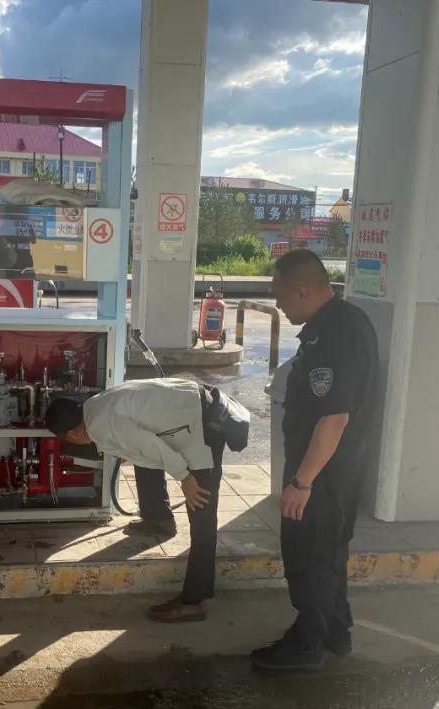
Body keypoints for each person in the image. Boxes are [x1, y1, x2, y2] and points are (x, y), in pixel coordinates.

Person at [251, 249, 379, 673]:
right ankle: (336, 631)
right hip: (338, 469)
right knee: (330, 554)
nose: (278, 305)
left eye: (281, 295)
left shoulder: (333, 335)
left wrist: (302, 482)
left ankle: (306, 646)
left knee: (309, 556)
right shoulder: (346, 320)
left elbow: (334, 417)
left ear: (303, 290)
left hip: (322, 474)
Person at [44, 379, 249, 623]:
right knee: (145, 464)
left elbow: (152, 446)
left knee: (201, 514)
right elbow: (142, 449)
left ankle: (193, 602)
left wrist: (185, 477)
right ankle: (159, 519)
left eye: (67, 440)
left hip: (202, 426)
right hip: (192, 407)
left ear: (73, 433)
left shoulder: (102, 426)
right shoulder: (92, 407)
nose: (71, 444)